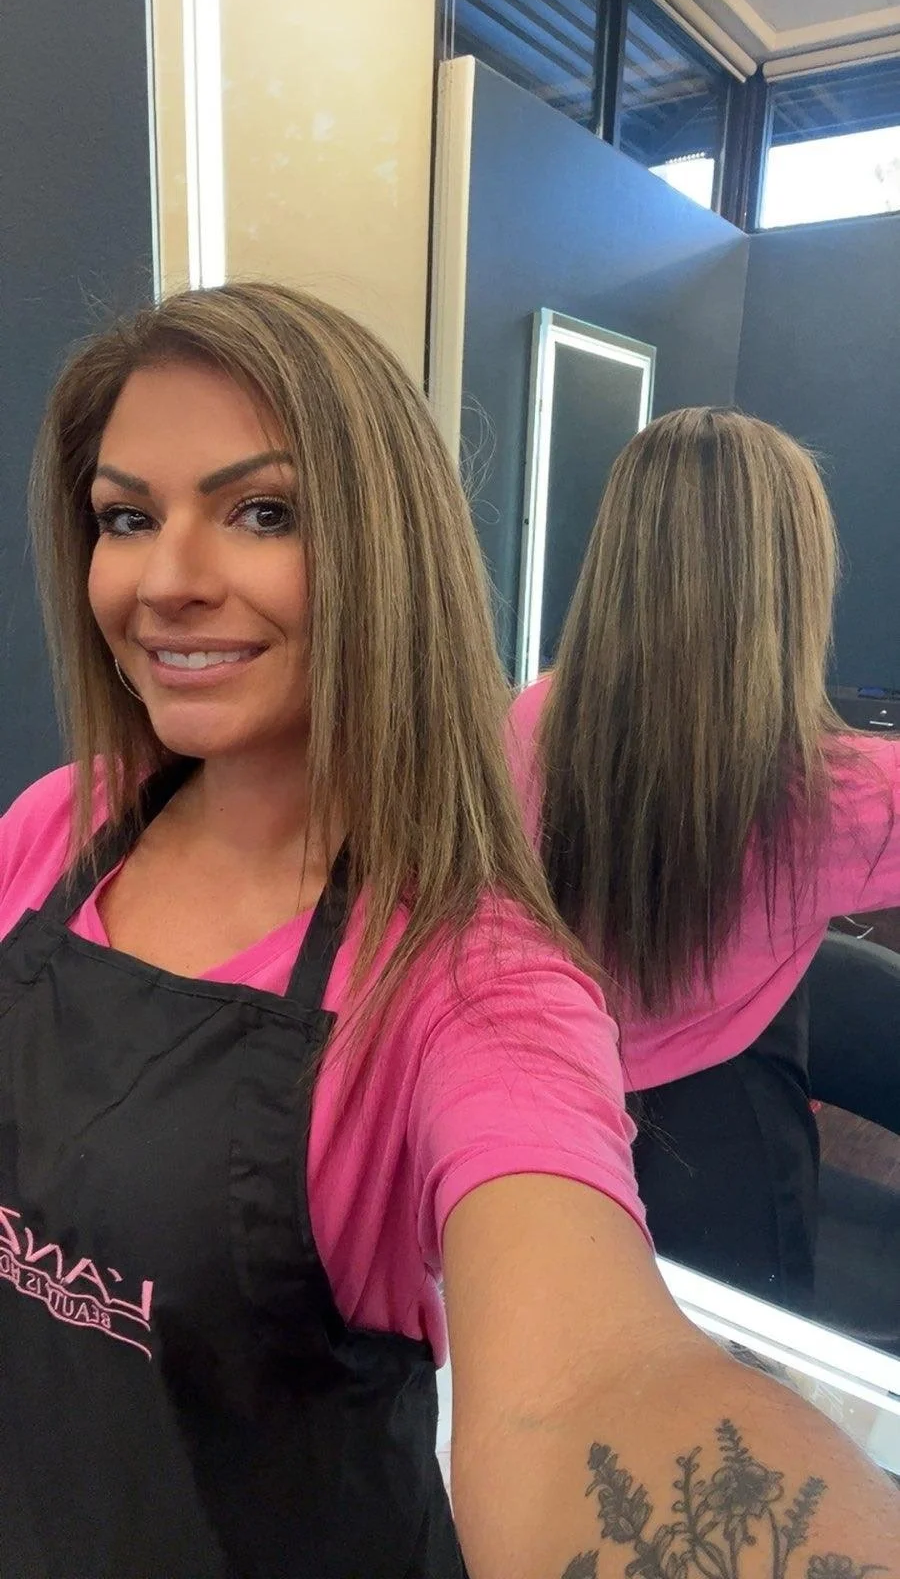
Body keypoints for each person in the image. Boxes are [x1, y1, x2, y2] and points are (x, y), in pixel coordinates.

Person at [2, 297, 897, 1578]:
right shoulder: (59, 825)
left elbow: (588, 1389)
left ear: (387, 547)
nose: (164, 577)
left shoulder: (474, 986)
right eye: (125, 516)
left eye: (264, 511)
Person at [508, 406, 900, 1316]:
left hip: (557, 1122)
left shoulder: (533, 719)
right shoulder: (842, 790)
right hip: (722, 1160)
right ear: (793, 584)